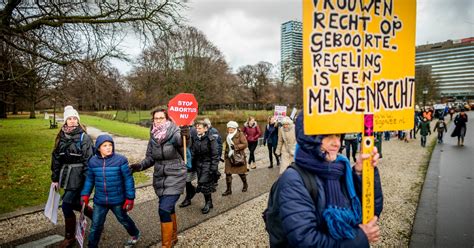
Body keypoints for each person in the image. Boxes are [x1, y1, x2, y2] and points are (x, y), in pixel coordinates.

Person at [274, 112, 383, 247]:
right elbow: (305, 241)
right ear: (310, 139)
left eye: (338, 135)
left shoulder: (342, 169)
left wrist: (362, 173)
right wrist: (359, 239)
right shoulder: (293, 180)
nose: (336, 143)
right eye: (327, 135)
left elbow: (371, 213)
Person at [129, 108, 189, 247]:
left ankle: (166, 245)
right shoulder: (153, 136)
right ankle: (173, 237)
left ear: (167, 119)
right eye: (156, 118)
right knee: (169, 208)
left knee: (163, 209)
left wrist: (186, 135)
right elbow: (150, 157)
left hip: (175, 174)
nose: (158, 121)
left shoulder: (174, 132)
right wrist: (139, 166)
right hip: (160, 177)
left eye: (161, 118)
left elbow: (182, 142)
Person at [81, 135, 140, 248]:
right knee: (95, 225)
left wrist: (130, 198)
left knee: (123, 219)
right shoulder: (93, 162)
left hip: (117, 200)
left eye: (110, 145)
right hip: (100, 201)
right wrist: (85, 194)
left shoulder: (121, 160)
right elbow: (89, 180)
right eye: (105, 146)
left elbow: (128, 179)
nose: (108, 148)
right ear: (98, 148)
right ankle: (92, 246)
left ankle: (135, 234)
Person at [50, 105, 94, 248]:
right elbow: (56, 158)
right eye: (70, 118)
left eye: (75, 118)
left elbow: (89, 161)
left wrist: (88, 183)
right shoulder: (61, 137)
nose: (73, 121)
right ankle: (96, 217)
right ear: (65, 121)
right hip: (66, 176)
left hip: (79, 176)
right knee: (75, 203)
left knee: (67, 204)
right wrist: (55, 178)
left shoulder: (84, 137)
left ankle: (70, 237)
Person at [190, 120, 220, 214]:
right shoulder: (195, 138)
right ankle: (209, 202)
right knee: (204, 184)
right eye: (196, 128)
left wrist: (214, 168)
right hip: (198, 165)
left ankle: (207, 203)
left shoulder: (211, 139)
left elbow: (215, 155)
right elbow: (193, 152)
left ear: (206, 128)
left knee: (204, 184)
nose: (197, 130)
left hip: (208, 165)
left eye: (200, 128)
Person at [221, 121, 249, 196]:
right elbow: (226, 145)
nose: (230, 129)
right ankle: (228, 190)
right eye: (229, 128)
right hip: (229, 157)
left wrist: (236, 147)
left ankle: (245, 184)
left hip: (238, 156)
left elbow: (245, 144)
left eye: (231, 128)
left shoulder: (240, 134)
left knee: (241, 173)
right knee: (228, 174)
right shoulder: (228, 135)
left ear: (235, 128)